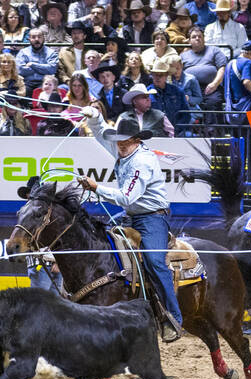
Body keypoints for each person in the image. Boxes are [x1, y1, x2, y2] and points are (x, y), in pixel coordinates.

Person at [76, 116, 184, 342]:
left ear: (136, 140)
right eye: (118, 141)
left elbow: (127, 197)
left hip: (152, 218)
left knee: (154, 261)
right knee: (99, 237)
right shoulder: (124, 150)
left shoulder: (142, 162)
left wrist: (96, 187)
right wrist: (95, 117)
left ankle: (173, 316)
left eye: (125, 141)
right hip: (132, 215)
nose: (119, 145)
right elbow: (100, 135)